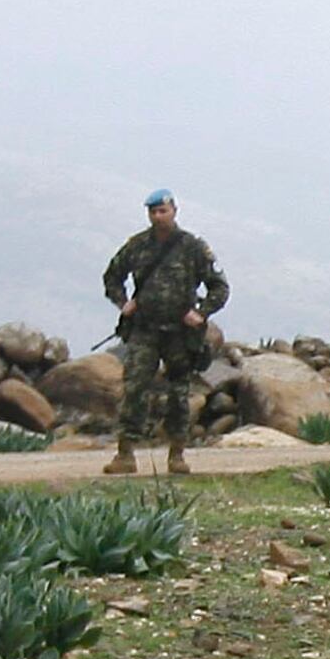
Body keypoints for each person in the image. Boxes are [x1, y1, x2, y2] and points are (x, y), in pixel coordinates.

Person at [103, 189, 226, 475]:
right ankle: (125, 454)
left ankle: (177, 455)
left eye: (163, 211)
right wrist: (124, 303)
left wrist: (201, 312)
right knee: (134, 389)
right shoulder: (137, 245)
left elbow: (219, 286)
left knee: (179, 394)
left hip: (180, 335)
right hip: (145, 330)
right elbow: (112, 277)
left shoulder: (193, 247)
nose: (158, 217)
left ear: (174, 211)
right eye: (153, 212)